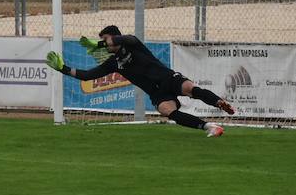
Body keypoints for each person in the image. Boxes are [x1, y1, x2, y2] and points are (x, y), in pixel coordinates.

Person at [47, 25, 236, 137]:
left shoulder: (133, 44)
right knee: (167, 111)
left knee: (189, 88)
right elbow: (87, 75)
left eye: (106, 40)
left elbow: (126, 38)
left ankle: (219, 102)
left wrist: (100, 44)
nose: (105, 45)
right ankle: (210, 127)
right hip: (157, 92)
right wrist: (62, 68)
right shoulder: (113, 63)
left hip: (167, 78)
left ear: (114, 37)